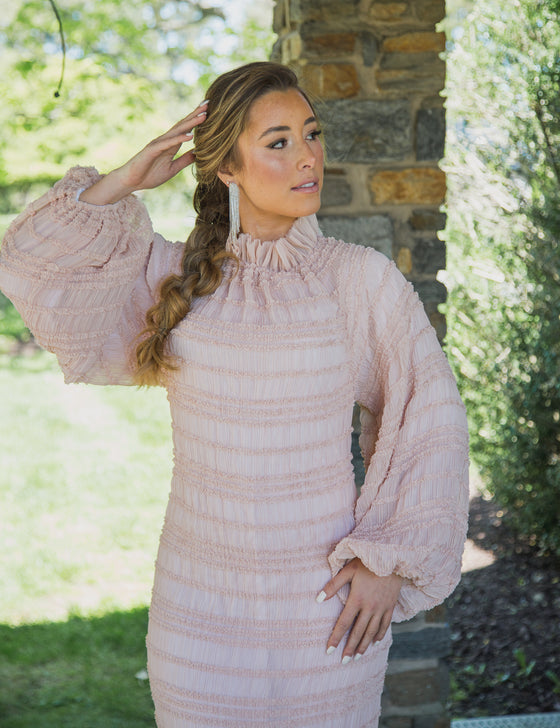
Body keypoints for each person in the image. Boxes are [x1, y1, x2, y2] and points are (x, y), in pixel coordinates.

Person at [0, 61, 469, 727]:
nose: (307, 156)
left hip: (324, 618)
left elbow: (432, 414)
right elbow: (29, 265)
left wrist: (390, 557)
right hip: (198, 619)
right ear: (227, 167)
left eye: (311, 134)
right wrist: (128, 176)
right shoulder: (173, 277)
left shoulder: (358, 284)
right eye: (278, 142)